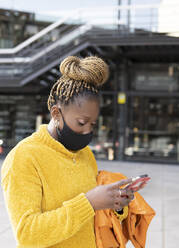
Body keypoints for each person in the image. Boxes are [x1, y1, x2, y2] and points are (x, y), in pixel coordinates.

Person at [1, 56, 135, 248]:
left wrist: (116, 204)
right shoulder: (24, 157)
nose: (88, 131)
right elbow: (27, 234)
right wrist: (87, 203)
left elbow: (93, 218)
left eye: (93, 124)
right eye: (81, 123)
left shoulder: (85, 154)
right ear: (56, 113)